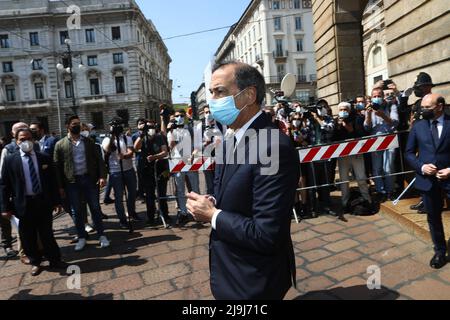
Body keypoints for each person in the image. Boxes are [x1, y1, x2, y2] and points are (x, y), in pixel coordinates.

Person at [186, 61, 298, 300]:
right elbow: (226, 189)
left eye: (220, 92)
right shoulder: (230, 138)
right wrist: (211, 200)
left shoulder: (273, 147)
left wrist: (212, 215)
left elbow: (266, 234)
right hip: (229, 269)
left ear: (248, 95)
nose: (212, 100)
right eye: (211, 93)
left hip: (254, 279)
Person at [0, 128, 65, 276]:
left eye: (29, 138)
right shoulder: (11, 160)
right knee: (27, 235)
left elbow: (52, 182)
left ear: (33, 140)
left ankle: (55, 260)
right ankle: (35, 262)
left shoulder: (44, 158)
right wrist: (5, 207)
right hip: (23, 204)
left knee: (47, 233)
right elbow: (4, 185)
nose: (26, 142)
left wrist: (57, 201)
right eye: (22, 139)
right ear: (16, 141)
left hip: (43, 201)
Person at [405, 94, 450, 269]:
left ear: (440, 106)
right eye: (421, 107)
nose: (422, 111)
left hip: (448, 177)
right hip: (427, 180)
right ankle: (440, 251)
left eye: (427, 108)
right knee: (433, 216)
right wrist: (422, 167)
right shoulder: (419, 126)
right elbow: (408, 153)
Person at [54, 115, 110, 251]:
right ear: (67, 126)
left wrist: (102, 176)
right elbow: (57, 167)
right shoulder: (60, 144)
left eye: (78, 123)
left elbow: (99, 161)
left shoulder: (88, 141)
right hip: (72, 182)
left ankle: (102, 235)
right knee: (76, 210)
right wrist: (60, 186)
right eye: (74, 124)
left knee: (95, 208)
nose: (77, 126)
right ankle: (81, 237)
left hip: (89, 180)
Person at [334, 102, 372, 213]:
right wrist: (338, 126)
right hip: (343, 155)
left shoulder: (357, 119)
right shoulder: (336, 121)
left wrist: (349, 128)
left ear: (349, 110)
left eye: (345, 109)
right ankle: (345, 202)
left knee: (361, 177)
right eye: (341, 109)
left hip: (356, 154)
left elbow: (361, 134)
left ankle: (367, 199)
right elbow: (334, 138)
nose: (343, 111)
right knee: (344, 180)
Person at [102, 117, 140, 228]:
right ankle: (122, 219)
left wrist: (124, 156)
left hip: (128, 170)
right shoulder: (106, 139)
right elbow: (107, 151)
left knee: (132, 193)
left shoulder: (126, 138)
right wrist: (112, 136)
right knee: (118, 196)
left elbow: (130, 152)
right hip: (115, 172)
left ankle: (132, 212)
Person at [0, 122, 30, 264]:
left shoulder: (33, 146)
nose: (22, 132)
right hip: (16, 195)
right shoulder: (8, 149)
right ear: (13, 134)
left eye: (25, 129)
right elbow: (3, 177)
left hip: (32, 193)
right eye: (18, 130)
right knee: (19, 227)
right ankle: (21, 252)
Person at [364, 87, 399, 202]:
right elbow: (367, 127)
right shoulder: (369, 108)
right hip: (375, 141)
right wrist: (369, 114)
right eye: (374, 96)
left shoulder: (390, 106)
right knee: (377, 168)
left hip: (389, 139)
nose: (377, 98)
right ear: (371, 98)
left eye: (379, 95)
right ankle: (380, 191)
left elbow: (395, 122)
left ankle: (390, 191)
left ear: (383, 96)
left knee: (388, 167)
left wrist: (382, 115)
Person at [134, 120, 170, 226]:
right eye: (147, 127)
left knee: (162, 193)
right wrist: (142, 135)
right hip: (147, 170)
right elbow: (136, 148)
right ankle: (151, 216)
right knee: (149, 194)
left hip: (161, 169)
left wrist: (155, 157)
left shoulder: (159, 137)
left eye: (151, 127)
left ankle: (165, 214)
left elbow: (165, 152)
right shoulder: (143, 138)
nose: (149, 129)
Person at [168, 109, 201, 225]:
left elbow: (197, 145)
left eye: (182, 115)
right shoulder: (172, 130)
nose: (179, 117)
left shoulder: (191, 128)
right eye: (177, 116)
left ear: (185, 117)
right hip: (177, 163)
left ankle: (198, 212)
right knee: (180, 189)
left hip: (190, 162)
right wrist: (172, 130)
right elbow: (171, 146)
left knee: (195, 188)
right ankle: (183, 213)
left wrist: (193, 154)